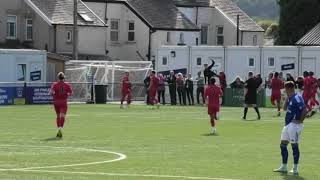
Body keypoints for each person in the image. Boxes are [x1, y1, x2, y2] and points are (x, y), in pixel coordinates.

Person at [273, 81, 307, 175]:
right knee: (283, 145)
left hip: (295, 126)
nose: (284, 90)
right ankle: (284, 166)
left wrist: (300, 121)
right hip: (287, 125)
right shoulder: (290, 97)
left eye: (286, 89)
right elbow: (284, 109)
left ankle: (295, 169)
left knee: (294, 146)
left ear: (290, 88)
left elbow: (304, 110)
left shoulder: (297, 97)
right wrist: (287, 98)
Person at [50, 72, 72, 138]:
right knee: (62, 116)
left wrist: (54, 94)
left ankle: (58, 129)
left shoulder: (54, 85)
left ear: (58, 78)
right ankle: (60, 129)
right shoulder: (67, 85)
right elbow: (70, 93)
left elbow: (51, 92)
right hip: (63, 102)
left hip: (56, 102)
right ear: (64, 78)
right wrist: (66, 94)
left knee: (58, 116)